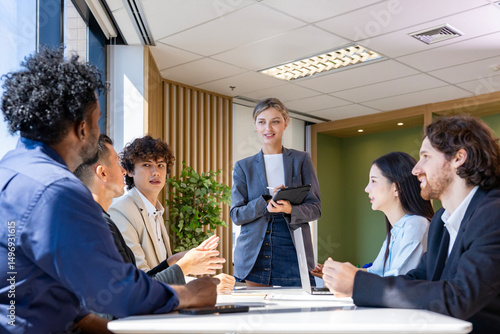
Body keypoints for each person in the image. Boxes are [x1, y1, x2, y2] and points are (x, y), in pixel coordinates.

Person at [0, 48, 218, 333]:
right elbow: (117, 292)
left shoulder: (10, 170)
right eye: (97, 120)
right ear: (82, 129)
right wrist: (191, 294)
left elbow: (34, 283)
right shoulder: (58, 191)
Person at [323, 115, 500, 333]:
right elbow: (419, 278)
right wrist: (356, 283)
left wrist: (359, 283)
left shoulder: (493, 214)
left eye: (425, 156)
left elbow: (459, 297)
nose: (416, 169)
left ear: (458, 158)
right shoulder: (440, 222)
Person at [74, 134, 234, 293]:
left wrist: (175, 261)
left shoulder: (156, 211)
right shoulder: (116, 213)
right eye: (146, 165)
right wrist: (191, 273)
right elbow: (135, 284)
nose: (155, 172)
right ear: (130, 171)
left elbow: (143, 280)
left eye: (161, 165)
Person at [230, 97, 321, 287]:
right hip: (255, 250)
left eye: (275, 121)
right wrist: (265, 202)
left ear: (285, 123)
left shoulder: (301, 159)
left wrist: (289, 209)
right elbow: (236, 215)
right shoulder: (243, 167)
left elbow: (315, 208)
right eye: (262, 122)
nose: (268, 128)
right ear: (255, 125)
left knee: (297, 314)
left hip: (292, 247)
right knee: (257, 311)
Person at [313, 152, 433, 278]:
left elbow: (397, 281)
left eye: (373, 181)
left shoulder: (416, 225)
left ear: (396, 187)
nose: (367, 188)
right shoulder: (396, 231)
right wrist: (338, 274)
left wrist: (349, 279)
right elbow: (375, 273)